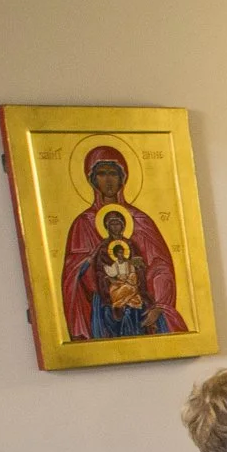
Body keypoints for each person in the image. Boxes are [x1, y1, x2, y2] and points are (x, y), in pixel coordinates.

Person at [60, 146, 187, 341]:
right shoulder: (83, 223)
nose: (108, 180)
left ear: (122, 178)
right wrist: (93, 263)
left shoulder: (140, 221)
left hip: (141, 305)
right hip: (104, 308)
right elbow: (73, 272)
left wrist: (160, 304)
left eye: (113, 173)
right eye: (102, 174)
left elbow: (160, 265)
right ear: (92, 179)